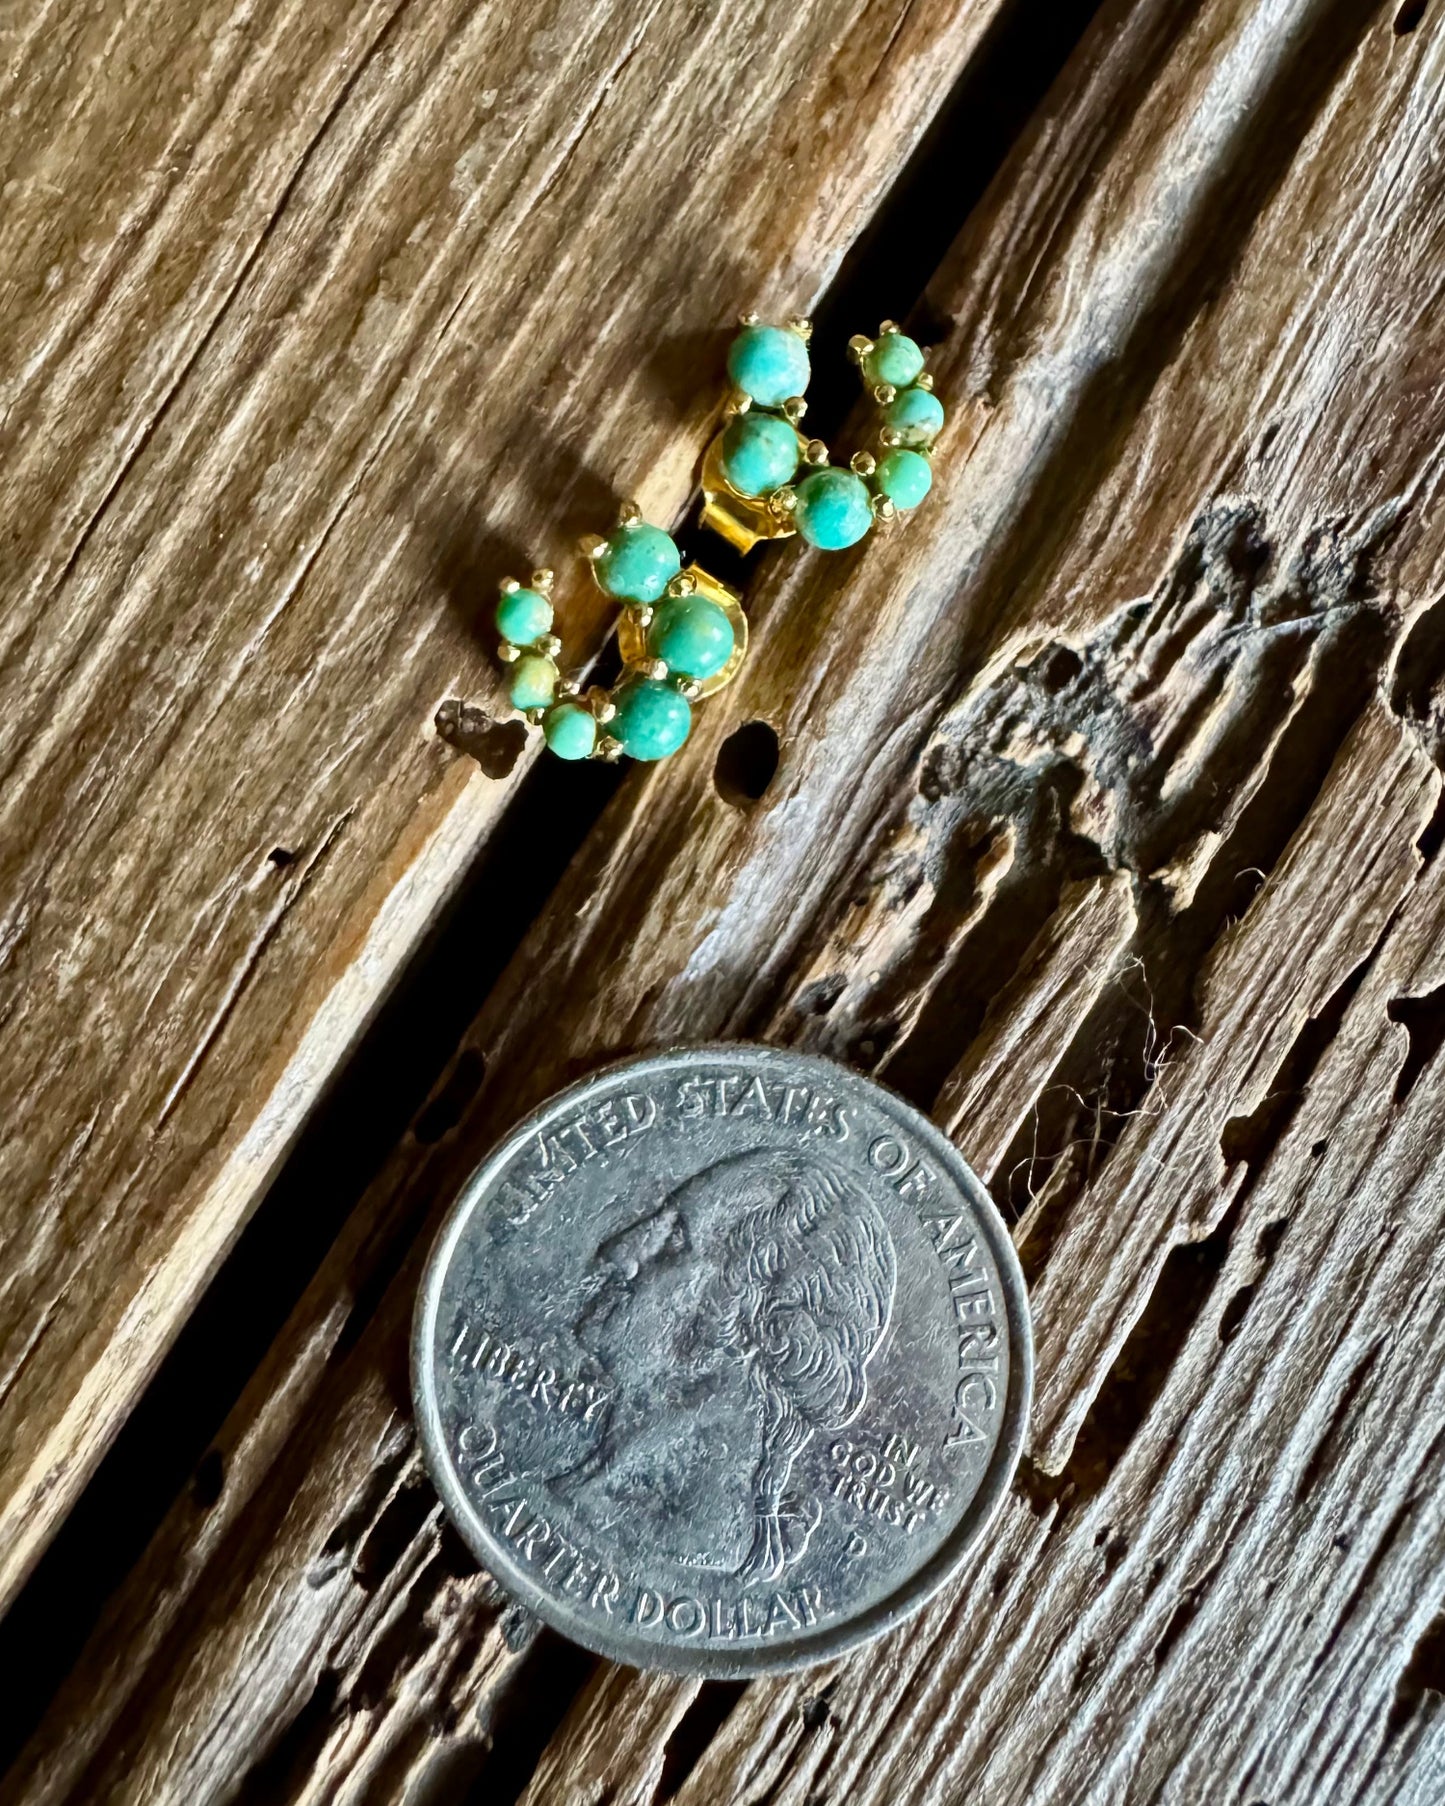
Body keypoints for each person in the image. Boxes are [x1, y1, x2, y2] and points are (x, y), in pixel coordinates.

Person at [570, 1148, 897, 1583]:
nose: (619, 1251)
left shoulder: (655, 1541)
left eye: (675, 1241)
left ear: (748, 1318)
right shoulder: (589, 1499)